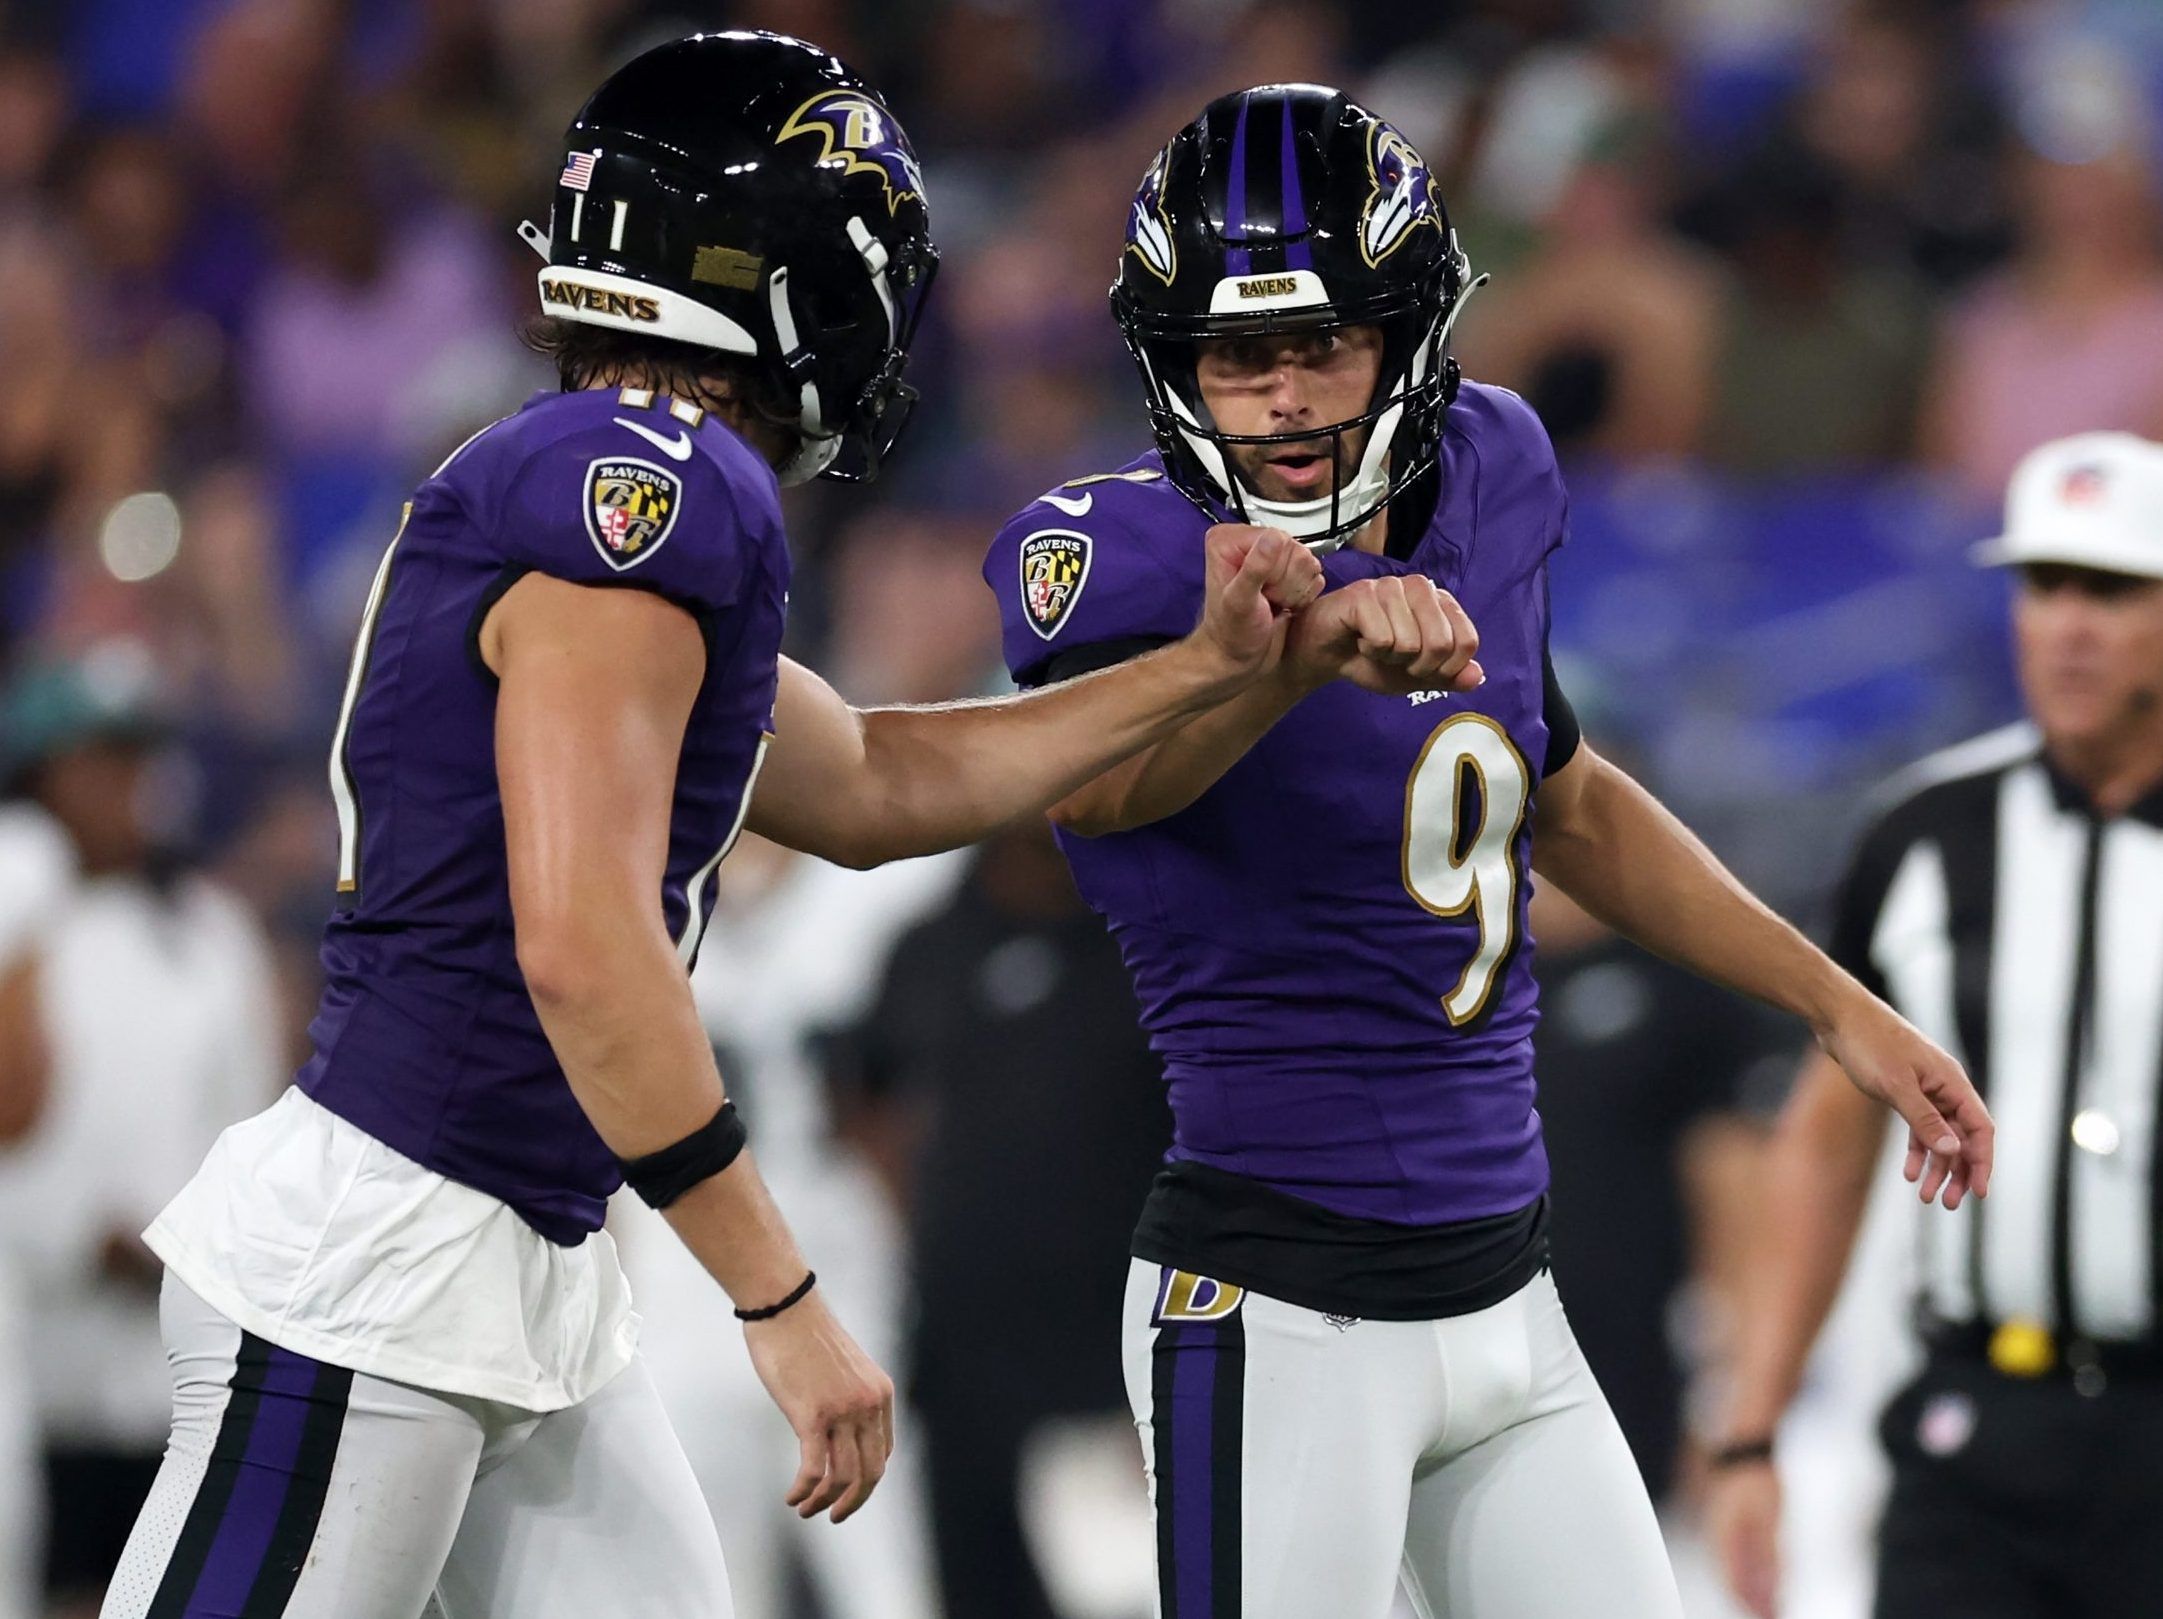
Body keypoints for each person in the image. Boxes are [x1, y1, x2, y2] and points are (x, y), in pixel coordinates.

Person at [99, 32, 1469, 1619]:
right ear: (784, 275)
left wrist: (1214, 668)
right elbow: (585, 945)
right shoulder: (648, 481)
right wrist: (784, 1296)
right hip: (383, 1257)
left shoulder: (628, 479)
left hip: (517, 1246)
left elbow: (883, 782)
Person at [980, 83, 1996, 1619]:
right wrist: (1279, 653)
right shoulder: (1110, 550)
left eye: (1318, 343)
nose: (1279, 397)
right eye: (1236, 354)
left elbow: (1563, 790)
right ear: (1168, 361)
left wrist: (1833, 1001)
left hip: (1509, 1297)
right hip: (1275, 1303)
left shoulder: (1491, 468)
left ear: (1409, 331)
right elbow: (1101, 793)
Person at [1709, 429, 2163, 1619]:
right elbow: (1822, 1139)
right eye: (2043, 586)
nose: (2066, 624)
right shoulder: (1918, 834)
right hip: (1976, 1425)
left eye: (2110, 591)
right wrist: (1751, 1430)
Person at [0, 653, 283, 1616]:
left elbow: (254, 1125)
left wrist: (194, 1248)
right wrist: (74, 1238)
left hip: (185, 1361)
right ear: (40, 773)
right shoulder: (19, 924)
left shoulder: (210, 935)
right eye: (96, 761)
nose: (125, 787)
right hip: (44, 1348)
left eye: (136, 760)